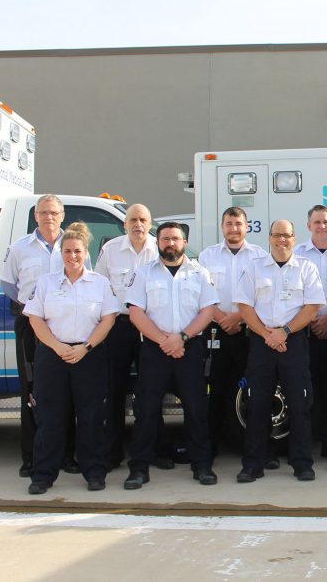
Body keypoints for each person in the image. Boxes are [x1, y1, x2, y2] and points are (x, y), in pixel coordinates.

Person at [23, 222, 119, 494]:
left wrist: (85, 347)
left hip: (89, 355)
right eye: (67, 251)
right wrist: (57, 346)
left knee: (91, 418)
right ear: (61, 253)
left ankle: (95, 473)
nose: (72, 256)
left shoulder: (100, 283)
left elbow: (108, 319)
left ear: (85, 252)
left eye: (77, 251)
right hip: (53, 355)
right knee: (50, 418)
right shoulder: (46, 283)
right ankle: (42, 476)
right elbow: (35, 319)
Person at [123, 222, 219, 489]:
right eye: (165, 239)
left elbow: (208, 311)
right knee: (146, 411)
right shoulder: (143, 272)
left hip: (190, 349)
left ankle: (202, 466)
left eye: (175, 238)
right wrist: (163, 340)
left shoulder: (199, 273)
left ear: (184, 242)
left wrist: (182, 337)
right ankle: (139, 469)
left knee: (196, 409)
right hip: (155, 350)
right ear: (158, 242)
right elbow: (135, 312)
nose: (170, 243)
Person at [234, 219, 325, 483]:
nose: (281, 240)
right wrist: (267, 334)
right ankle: (253, 464)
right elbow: (244, 306)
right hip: (261, 341)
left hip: (293, 341)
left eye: (286, 235)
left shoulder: (306, 268)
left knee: (300, 404)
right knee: (257, 404)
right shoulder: (254, 267)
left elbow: (312, 307)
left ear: (294, 238)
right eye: (277, 235)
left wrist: (284, 332)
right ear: (269, 238)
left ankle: (302, 463)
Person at [0, 194, 74, 477]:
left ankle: (67, 455)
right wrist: (32, 308)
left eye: (54, 212)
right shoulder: (20, 248)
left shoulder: (73, 245)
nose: (49, 217)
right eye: (44, 212)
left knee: (67, 390)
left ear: (62, 215)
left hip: (66, 325)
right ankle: (31, 456)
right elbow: (8, 284)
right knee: (32, 390)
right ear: (35, 216)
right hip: (30, 326)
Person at [198, 206, 269, 456]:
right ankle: (211, 447)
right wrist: (222, 319)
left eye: (238, 224)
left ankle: (250, 446)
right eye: (229, 224)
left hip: (248, 331)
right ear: (222, 227)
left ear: (247, 227)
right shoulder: (207, 256)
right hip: (216, 330)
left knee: (250, 389)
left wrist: (238, 317)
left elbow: (263, 295)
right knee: (214, 388)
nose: (234, 228)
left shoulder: (260, 256)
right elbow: (202, 294)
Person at [94, 203, 160, 470]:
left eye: (143, 219)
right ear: (124, 224)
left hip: (151, 327)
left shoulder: (159, 249)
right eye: (133, 219)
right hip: (118, 326)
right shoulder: (110, 250)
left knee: (151, 390)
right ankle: (112, 452)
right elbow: (99, 287)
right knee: (114, 390)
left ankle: (154, 450)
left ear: (150, 223)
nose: (138, 224)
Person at [294, 204, 327, 460]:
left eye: (326, 222)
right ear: (308, 226)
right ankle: (307, 441)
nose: (321, 226)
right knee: (305, 386)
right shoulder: (296, 255)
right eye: (317, 222)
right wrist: (313, 320)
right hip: (304, 331)